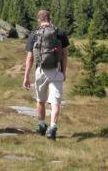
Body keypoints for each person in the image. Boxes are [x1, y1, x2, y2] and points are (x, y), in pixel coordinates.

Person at [22, 9, 70, 140]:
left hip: (40, 71)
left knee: (40, 100)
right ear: (50, 18)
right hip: (56, 70)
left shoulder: (34, 34)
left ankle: (42, 125)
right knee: (55, 102)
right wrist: (64, 72)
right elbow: (65, 55)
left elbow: (30, 58)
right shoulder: (59, 33)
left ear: (39, 19)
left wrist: (26, 76)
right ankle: (53, 128)